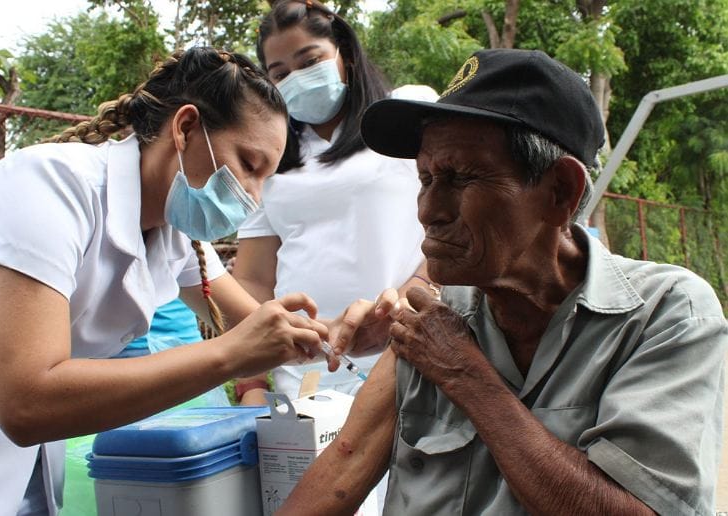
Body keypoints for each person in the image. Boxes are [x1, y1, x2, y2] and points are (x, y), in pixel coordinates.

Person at [276, 48, 728, 515]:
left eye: (460, 178)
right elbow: (342, 468)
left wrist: (467, 375)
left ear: (560, 193)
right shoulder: (429, 323)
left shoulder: (665, 316)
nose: (428, 211)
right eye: (426, 178)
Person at [0, 47, 328, 516]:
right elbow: (26, 402)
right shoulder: (49, 187)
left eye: (265, 179)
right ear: (185, 128)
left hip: (13, 458)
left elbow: (252, 322)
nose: (253, 196)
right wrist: (229, 357)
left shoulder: (172, 232)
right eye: (249, 165)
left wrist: (341, 335)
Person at [232, 0, 437, 405]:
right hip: (306, 370)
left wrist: (415, 294)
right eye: (281, 74)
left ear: (345, 53)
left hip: (407, 347)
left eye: (310, 61)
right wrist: (251, 383)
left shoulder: (405, 114)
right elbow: (253, 280)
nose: (297, 78)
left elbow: (461, 218)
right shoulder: (269, 156)